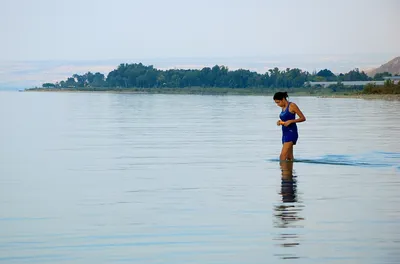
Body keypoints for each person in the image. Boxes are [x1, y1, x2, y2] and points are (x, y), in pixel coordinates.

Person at [273, 92, 306, 161]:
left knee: (282, 157)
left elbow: (303, 118)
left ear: (283, 99)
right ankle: (289, 171)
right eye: (276, 103)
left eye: (278, 102)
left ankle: (283, 171)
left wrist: (291, 121)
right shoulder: (283, 107)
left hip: (291, 132)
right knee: (289, 158)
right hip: (284, 133)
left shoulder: (292, 105)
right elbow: (285, 120)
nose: (277, 105)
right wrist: (280, 122)